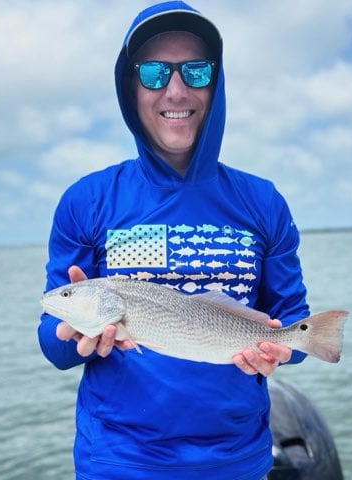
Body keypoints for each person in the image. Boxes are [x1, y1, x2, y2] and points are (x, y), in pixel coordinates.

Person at [38, 2, 309, 479]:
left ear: (216, 82)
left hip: (235, 458)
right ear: (129, 84)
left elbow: (296, 325)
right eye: (154, 72)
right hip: (118, 460)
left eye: (196, 71)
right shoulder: (88, 200)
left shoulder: (263, 202)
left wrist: (282, 348)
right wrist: (71, 338)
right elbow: (52, 341)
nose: (176, 90)